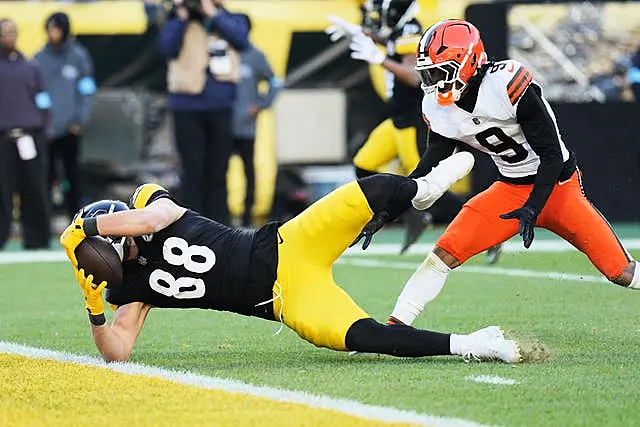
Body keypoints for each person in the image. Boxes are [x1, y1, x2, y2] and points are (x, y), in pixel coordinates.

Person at [59, 152, 522, 364]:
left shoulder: (149, 205)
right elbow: (116, 353)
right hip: (286, 299)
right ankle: (472, 344)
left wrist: (87, 229)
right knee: (370, 339)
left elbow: (145, 222)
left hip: (289, 243)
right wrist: (95, 312)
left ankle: (422, 190)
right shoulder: (130, 290)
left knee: (372, 191)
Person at [354, 19, 640, 327]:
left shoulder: (507, 84)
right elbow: (429, 164)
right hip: (509, 190)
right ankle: (395, 328)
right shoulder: (438, 106)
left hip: (557, 188)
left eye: (440, 71)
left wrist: (533, 207)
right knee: (443, 255)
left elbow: (552, 156)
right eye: (429, 72)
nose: (433, 80)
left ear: (467, 62)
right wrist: (390, 210)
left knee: (621, 273)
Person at [326, 1, 501, 263]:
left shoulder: (410, 29)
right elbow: (390, 39)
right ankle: (413, 215)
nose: (378, 15)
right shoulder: (401, 30)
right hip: (397, 120)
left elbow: (413, 75)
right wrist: (359, 33)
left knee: (426, 186)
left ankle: (488, 230)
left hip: (412, 120)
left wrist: (379, 58)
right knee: (364, 164)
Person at [158, 0, 248, 225]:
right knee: (192, 172)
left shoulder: (229, 18)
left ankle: (220, 226)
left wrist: (212, 12)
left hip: (220, 105)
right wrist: (181, 14)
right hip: (187, 105)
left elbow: (242, 40)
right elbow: (166, 48)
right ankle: (193, 226)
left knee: (218, 171)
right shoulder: (177, 21)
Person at [35, 12, 96, 220]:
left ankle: (76, 220)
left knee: (73, 176)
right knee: (45, 177)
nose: (53, 33)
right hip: (47, 130)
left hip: (71, 128)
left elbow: (87, 90)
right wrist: (42, 121)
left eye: (57, 29)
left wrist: (80, 119)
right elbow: (36, 93)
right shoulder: (39, 59)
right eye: (50, 29)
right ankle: (44, 223)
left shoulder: (79, 57)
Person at [0, 18, 51, 250]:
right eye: (4, 33)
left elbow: (42, 99)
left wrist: (45, 127)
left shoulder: (30, 67)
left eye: (12, 32)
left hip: (30, 137)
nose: (8, 37)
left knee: (34, 189)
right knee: (3, 191)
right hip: (3, 139)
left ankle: (37, 238)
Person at [232, 13, 281, 227]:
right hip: (221, 126)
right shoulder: (222, 52)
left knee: (249, 172)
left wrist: (261, 104)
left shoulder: (255, 56)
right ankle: (219, 217)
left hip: (245, 127)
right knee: (217, 174)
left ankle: (246, 218)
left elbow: (276, 82)